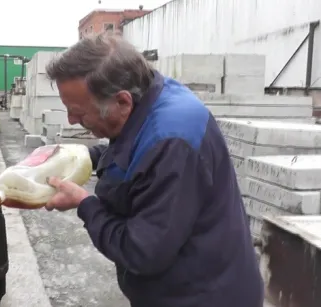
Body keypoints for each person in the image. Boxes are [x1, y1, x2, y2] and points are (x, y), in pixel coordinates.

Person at [43, 33, 264, 307]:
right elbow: (132, 150)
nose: (72, 120)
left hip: (202, 296)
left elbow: (141, 251)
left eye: (78, 111)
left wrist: (85, 204)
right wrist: (79, 157)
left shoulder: (172, 142)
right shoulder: (148, 94)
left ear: (122, 101)